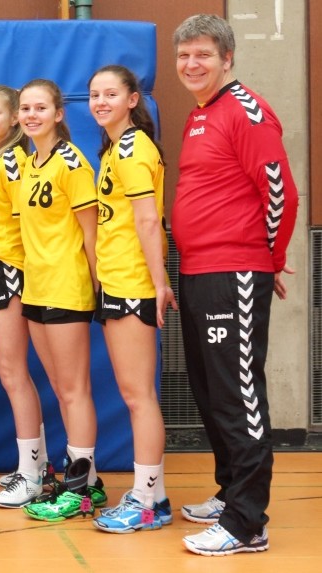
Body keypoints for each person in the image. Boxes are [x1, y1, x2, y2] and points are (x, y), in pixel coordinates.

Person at [172, 14, 298, 556]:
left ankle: (247, 524)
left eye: (203, 54)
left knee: (238, 396)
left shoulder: (247, 111)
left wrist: (269, 259)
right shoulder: (202, 114)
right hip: (198, 271)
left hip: (234, 272)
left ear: (227, 58)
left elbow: (280, 191)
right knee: (210, 392)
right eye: (184, 55)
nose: (191, 64)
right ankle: (230, 495)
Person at [86, 65, 175, 534]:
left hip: (133, 284)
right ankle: (154, 496)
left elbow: (147, 221)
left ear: (132, 100)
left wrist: (159, 283)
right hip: (117, 281)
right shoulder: (115, 148)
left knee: (139, 397)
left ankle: (145, 501)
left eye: (110, 94)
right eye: (94, 95)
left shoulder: (134, 148)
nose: (101, 102)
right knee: (134, 394)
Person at [14, 79, 107, 522]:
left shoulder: (72, 163)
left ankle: (80, 489)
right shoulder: (29, 163)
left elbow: (92, 233)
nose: (31, 115)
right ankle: (88, 480)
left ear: (58, 113)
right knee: (60, 387)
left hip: (67, 287)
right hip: (36, 287)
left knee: (74, 389)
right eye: (25, 108)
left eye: (40, 108)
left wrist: (99, 287)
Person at [0, 84, 51, 509]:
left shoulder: (15, 162)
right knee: (12, 371)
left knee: (12, 371)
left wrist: (22, 274)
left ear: (14, 119)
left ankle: (31, 474)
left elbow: (29, 224)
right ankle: (36, 466)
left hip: (11, 269)